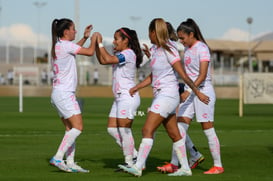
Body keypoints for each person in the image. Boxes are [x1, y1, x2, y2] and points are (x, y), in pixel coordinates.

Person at [118, 18, 209, 177]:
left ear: (154, 32)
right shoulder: (155, 49)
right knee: (175, 134)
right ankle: (186, 168)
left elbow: (183, 74)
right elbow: (155, 75)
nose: (149, 35)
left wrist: (197, 91)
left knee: (147, 129)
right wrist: (137, 87)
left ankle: (138, 166)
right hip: (161, 95)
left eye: (149, 32)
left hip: (168, 95)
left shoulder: (169, 49)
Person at [175, 18, 224, 174]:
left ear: (191, 34)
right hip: (193, 91)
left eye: (182, 38)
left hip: (203, 92)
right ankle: (178, 163)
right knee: (179, 126)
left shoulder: (202, 48)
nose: (181, 41)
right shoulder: (188, 49)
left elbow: (202, 75)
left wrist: (189, 91)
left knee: (207, 129)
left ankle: (218, 165)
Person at [156, 22, 205, 173]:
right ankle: (191, 155)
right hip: (177, 88)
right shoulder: (173, 46)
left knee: (174, 126)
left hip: (175, 89)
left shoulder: (171, 46)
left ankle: (178, 161)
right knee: (176, 126)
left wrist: (190, 90)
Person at [49, 18, 96, 173]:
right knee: (78, 127)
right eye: (73, 28)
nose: (75, 31)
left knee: (70, 130)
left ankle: (70, 162)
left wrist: (86, 37)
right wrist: (95, 39)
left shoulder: (59, 45)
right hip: (64, 94)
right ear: (65, 31)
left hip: (58, 93)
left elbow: (75, 48)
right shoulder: (66, 45)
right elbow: (89, 52)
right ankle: (58, 157)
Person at [93, 27, 143, 170]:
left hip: (127, 97)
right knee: (111, 129)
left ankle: (130, 162)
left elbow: (107, 58)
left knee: (124, 130)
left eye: (116, 39)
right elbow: (103, 61)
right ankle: (134, 155)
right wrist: (97, 45)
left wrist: (100, 44)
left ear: (126, 40)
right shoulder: (122, 53)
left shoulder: (128, 53)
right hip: (120, 98)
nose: (114, 42)